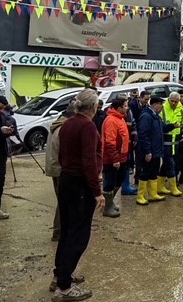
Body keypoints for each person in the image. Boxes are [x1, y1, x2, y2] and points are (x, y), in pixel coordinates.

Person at [51, 89, 103, 302]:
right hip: (80, 184)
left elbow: (63, 155)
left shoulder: (67, 123)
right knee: (78, 236)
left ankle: (61, 274)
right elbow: (89, 162)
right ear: (94, 107)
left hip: (66, 180)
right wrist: (97, 192)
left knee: (67, 231)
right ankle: (64, 286)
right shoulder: (87, 126)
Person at [45, 101, 77, 242]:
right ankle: (59, 231)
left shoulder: (57, 124)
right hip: (61, 169)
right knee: (65, 201)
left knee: (63, 200)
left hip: (54, 167)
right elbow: (65, 152)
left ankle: (61, 230)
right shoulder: (64, 128)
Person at [136, 96, 174, 205]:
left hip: (156, 151)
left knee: (153, 172)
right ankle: (140, 196)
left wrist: (172, 126)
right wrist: (148, 151)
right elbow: (143, 135)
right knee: (145, 172)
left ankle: (152, 194)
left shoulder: (156, 116)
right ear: (155, 104)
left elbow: (163, 128)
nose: (162, 107)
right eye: (160, 104)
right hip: (149, 152)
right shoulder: (146, 116)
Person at [100, 98, 131, 218]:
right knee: (109, 182)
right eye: (125, 106)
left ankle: (110, 202)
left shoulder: (120, 118)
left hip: (122, 157)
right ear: (119, 108)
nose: (127, 108)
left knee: (119, 179)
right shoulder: (111, 120)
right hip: (112, 159)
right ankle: (107, 208)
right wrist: (115, 159)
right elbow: (109, 142)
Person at [156, 92, 183, 197]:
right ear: (169, 99)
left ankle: (160, 187)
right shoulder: (163, 109)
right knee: (170, 164)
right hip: (165, 142)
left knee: (165, 165)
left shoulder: (180, 109)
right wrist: (172, 126)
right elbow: (160, 126)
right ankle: (173, 187)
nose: (174, 103)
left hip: (176, 143)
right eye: (172, 101)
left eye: (176, 101)